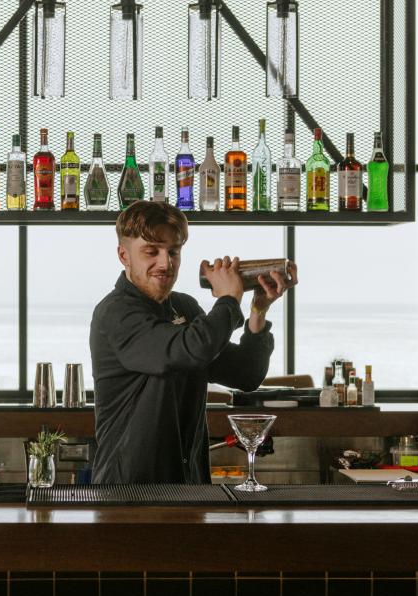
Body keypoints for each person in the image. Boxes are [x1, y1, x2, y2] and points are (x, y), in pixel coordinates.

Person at [89, 201, 295, 483]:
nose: (166, 263)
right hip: (130, 489)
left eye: (173, 251)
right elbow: (187, 349)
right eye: (151, 251)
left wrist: (258, 310)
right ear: (124, 255)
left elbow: (246, 374)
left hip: (189, 484)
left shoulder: (184, 307)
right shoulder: (116, 313)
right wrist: (228, 299)